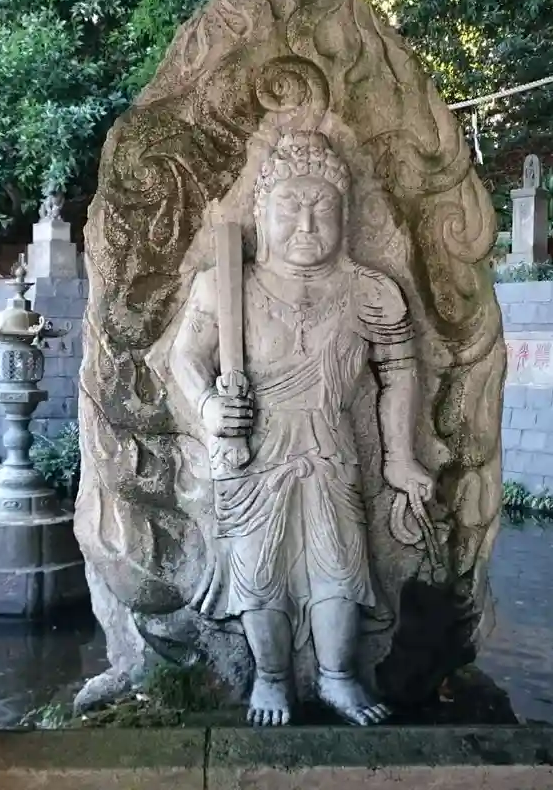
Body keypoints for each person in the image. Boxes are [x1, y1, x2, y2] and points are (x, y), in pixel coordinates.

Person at [169, 130, 433, 727]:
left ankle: (338, 675)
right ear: (261, 212)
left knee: (339, 563)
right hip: (252, 446)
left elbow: (398, 372)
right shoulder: (225, 286)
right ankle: (271, 676)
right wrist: (208, 408)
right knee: (258, 565)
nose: (307, 224)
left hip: (331, 444)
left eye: (323, 207)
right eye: (290, 206)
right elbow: (185, 357)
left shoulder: (371, 291)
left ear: (346, 213)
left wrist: (399, 456)